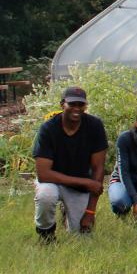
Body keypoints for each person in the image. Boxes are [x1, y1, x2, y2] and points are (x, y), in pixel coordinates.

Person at [33, 87, 108, 240]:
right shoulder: (48, 129)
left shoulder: (95, 126)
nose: (76, 108)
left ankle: (68, 213)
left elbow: (98, 169)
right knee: (45, 196)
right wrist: (85, 182)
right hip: (52, 181)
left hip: (79, 187)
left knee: (82, 238)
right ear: (62, 104)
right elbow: (43, 174)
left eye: (81, 105)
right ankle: (46, 233)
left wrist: (90, 212)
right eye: (72, 104)